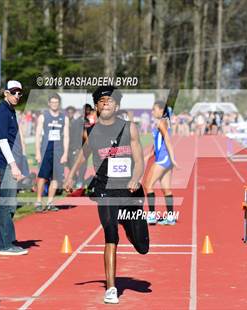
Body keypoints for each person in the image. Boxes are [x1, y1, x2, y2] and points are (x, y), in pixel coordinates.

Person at [64, 86, 149, 304]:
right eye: (101, 101)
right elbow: (83, 155)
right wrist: (71, 176)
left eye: (110, 101)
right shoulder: (91, 131)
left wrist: (136, 177)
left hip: (129, 190)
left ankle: (129, 227)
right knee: (110, 235)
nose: (106, 104)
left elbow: (139, 160)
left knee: (142, 246)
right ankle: (111, 288)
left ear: (117, 106)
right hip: (105, 190)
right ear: (96, 107)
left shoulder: (129, 128)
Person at [0, 80, 28, 256]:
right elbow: (3, 141)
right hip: (6, 163)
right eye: (14, 92)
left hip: (10, 161)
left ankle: (1, 243)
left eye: (20, 93)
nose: (17, 96)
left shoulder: (10, 111)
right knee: (8, 204)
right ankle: (5, 245)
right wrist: (13, 165)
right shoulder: (2, 112)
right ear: (6, 93)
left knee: (7, 203)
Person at [145, 100, 178, 225]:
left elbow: (168, 141)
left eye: (154, 109)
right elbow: (159, 143)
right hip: (165, 159)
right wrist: (149, 155)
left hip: (163, 159)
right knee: (166, 189)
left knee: (148, 185)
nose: (152, 111)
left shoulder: (162, 123)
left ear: (161, 110)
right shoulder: (163, 122)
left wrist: (173, 158)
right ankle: (170, 217)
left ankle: (152, 216)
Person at [34, 94, 69, 211]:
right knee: (42, 177)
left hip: (58, 151)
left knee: (56, 178)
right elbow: (38, 135)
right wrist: (38, 153)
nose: (54, 104)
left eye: (56, 102)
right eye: (52, 102)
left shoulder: (64, 118)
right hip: (46, 150)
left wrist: (65, 154)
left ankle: (50, 202)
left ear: (59, 103)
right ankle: (38, 202)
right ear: (49, 103)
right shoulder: (43, 116)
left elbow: (66, 137)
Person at [66, 106, 86, 188]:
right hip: (70, 147)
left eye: (71, 112)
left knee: (82, 164)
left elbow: (80, 135)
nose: (70, 114)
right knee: (70, 164)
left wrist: (79, 147)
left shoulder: (80, 121)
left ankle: (80, 180)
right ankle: (76, 179)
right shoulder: (70, 121)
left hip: (81, 147)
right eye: (68, 112)